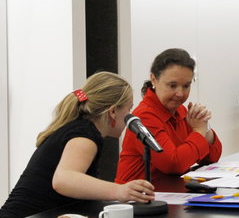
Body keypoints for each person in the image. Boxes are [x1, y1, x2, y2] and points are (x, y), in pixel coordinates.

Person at [0, 71, 155, 218]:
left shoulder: (78, 129)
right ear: (113, 111)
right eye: (129, 108)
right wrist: (119, 191)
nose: (130, 115)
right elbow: (63, 180)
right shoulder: (84, 136)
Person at [115, 48, 222, 182]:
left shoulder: (181, 110)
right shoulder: (145, 116)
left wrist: (204, 126)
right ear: (154, 79)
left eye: (186, 86)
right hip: (137, 198)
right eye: (172, 86)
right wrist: (199, 131)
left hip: (169, 193)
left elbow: (213, 157)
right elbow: (173, 163)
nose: (180, 93)